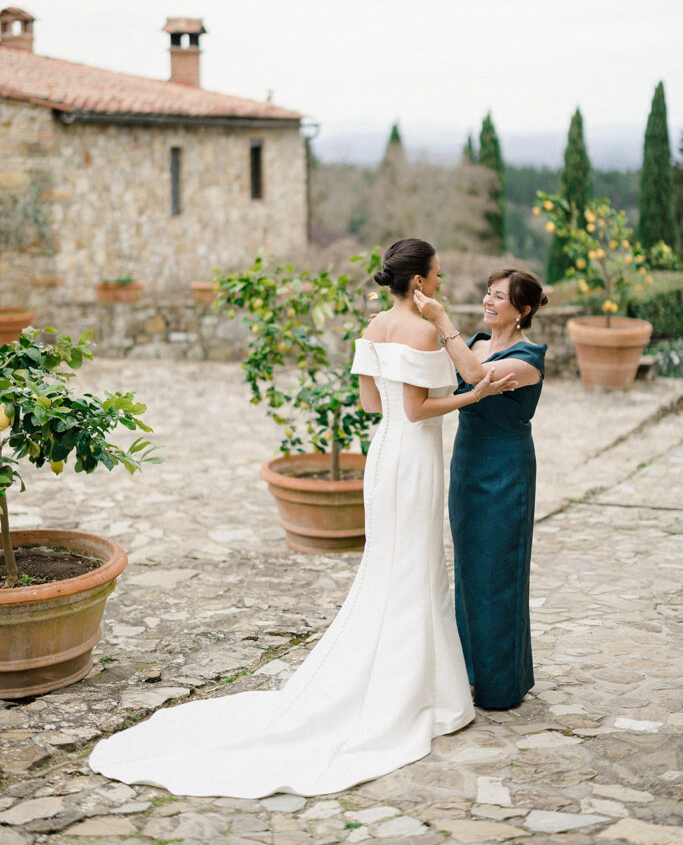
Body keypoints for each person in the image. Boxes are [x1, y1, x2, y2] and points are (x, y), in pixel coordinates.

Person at [89, 238, 516, 798]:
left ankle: (416, 683)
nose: (439, 285)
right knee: (415, 563)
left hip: (383, 455)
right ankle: (421, 693)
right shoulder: (421, 330)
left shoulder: (371, 328)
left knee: (394, 561)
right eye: (435, 277)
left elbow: (372, 405)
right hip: (414, 454)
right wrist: (474, 396)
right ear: (418, 282)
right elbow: (420, 408)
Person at [414, 267, 548, 709]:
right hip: (467, 463)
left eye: (500, 297)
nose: (489, 302)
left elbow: (473, 375)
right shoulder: (474, 343)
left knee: (500, 573)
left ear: (521, 310)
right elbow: (459, 379)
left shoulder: (529, 357)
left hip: (507, 469)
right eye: (488, 293)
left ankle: (501, 684)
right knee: (470, 572)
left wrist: (439, 317)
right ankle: (468, 674)